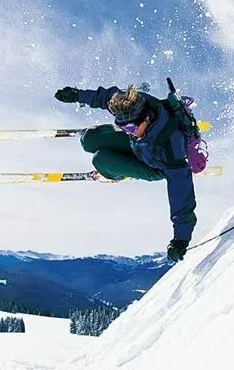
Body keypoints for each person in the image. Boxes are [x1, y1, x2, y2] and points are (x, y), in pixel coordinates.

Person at [54, 84, 197, 263]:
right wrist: (76, 95)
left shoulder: (171, 149)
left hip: (152, 164)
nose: (128, 131)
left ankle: (116, 173)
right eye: (122, 126)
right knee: (87, 140)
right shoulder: (135, 104)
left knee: (101, 160)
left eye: (129, 128)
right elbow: (105, 97)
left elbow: (181, 196)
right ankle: (99, 135)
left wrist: (181, 240)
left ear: (146, 119)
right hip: (140, 145)